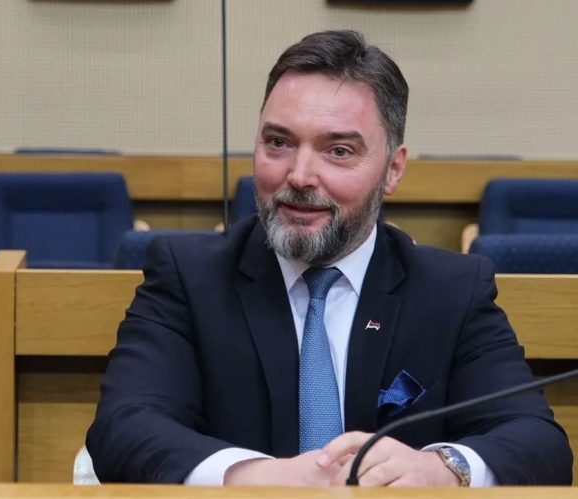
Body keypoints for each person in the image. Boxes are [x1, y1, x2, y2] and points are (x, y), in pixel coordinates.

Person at [87, 30, 572, 486]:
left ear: (392, 169)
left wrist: (442, 468)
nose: (299, 175)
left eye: (338, 151)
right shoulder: (190, 275)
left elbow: (539, 444)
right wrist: (256, 478)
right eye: (278, 143)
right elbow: (124, 428)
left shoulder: (450, 290)